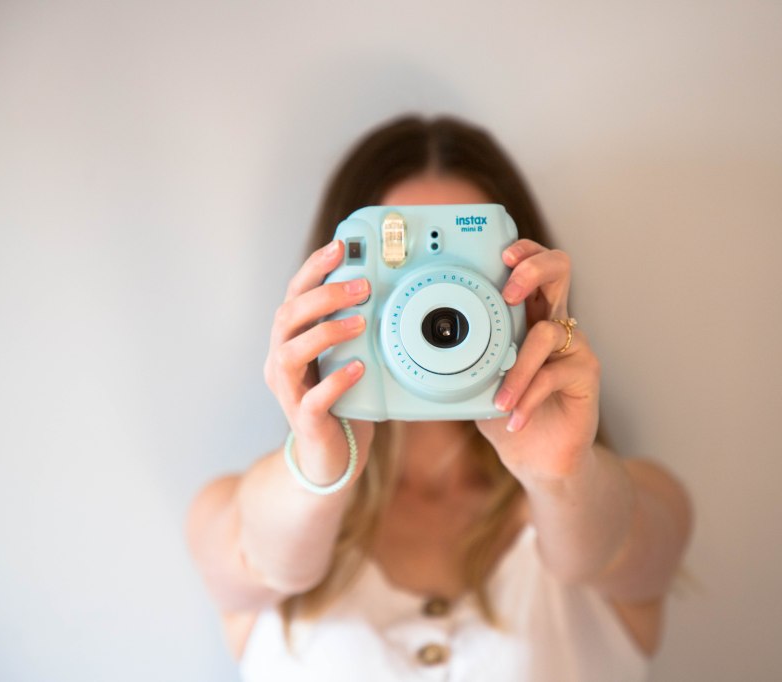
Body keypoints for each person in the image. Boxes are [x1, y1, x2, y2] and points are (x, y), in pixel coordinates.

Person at [186, 115, 693, 681]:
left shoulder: (629, 498)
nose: (438, 296)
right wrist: (321, 463)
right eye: (399, 262)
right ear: (334, 284)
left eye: (461, 259)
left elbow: (602, 552)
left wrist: (560, 473)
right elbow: (265, 562)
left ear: (529, 285)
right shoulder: (240, 508)